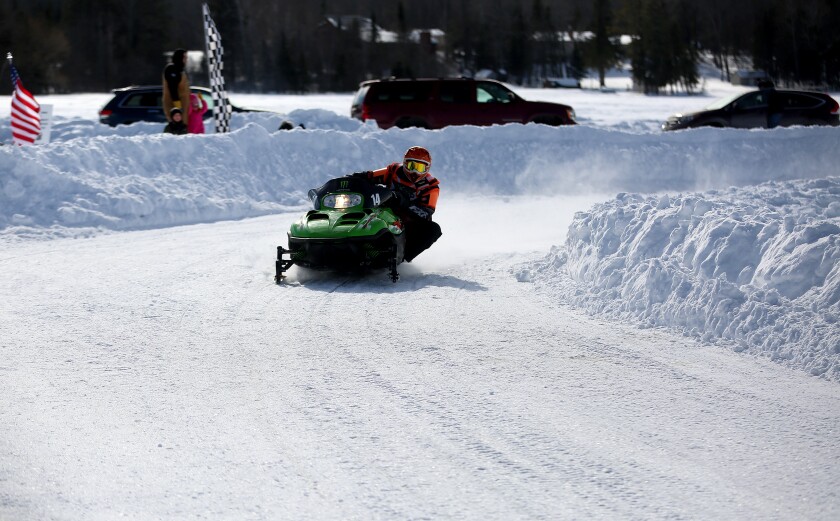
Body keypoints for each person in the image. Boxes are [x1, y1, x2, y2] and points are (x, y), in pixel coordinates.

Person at [351, 146, 442, 262]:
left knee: (433, 229)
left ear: (427, 168)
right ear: (404, 163)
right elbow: (370, 176)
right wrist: (353, 178)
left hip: (410, 222)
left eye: (420, 167)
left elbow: (426, 213)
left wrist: (402, 201)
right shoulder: (394, 171)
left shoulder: (431, 186)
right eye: (411, 166)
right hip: (384, 212)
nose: (414, 171)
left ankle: (402, 258)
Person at [162, 49, 191, 123]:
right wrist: (177, 105)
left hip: (183, 106)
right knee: (178, 129)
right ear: (179, 57)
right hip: (175, 107)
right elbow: (172, 88)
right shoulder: (171, 69)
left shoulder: (180, 70)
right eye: (184, 57)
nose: (186, 59)